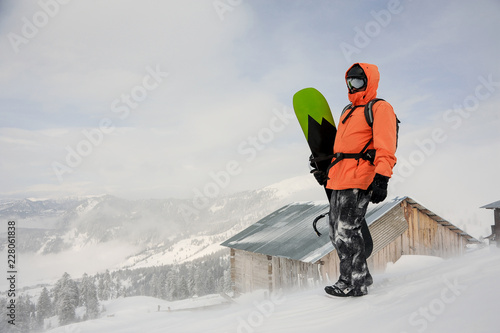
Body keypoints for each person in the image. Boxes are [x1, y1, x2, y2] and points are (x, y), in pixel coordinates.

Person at [313, 63, 398, 297]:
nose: (353, 85)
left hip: (361, 177)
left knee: (347, 231)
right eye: (349, 81)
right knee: (334, 232)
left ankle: (354, 283)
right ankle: (361, 275)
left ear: (369, 82)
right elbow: (340, 148)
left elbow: (386, 146)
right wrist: (325, 169)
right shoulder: (346, 111)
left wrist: (382, 178)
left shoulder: (380, 108)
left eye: (358, 81)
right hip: (339, 177)